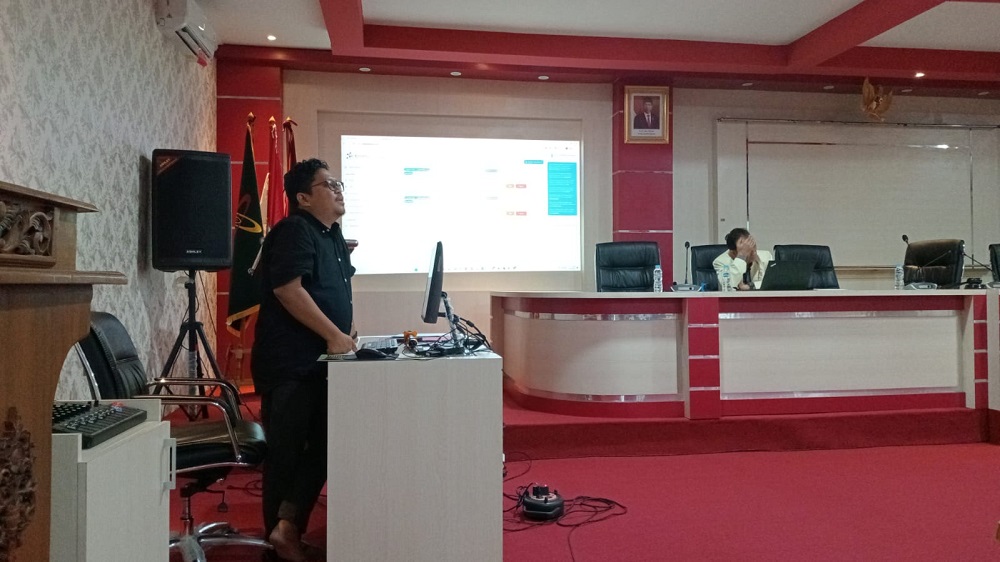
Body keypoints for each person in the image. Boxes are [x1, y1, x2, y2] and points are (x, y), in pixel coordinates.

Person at [251, 158, 357, 561]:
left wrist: (347, 333)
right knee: (287, 453)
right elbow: (287, 290)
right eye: (328, 185)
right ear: (303, 198)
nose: (338, 190)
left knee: (328, 442)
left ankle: (288, 527)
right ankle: (277, 545)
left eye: (338, 183)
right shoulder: (294, 230)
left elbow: (335, 290)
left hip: (321, 362)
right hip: (290, 364)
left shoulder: (332, 235)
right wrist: (333, 335)